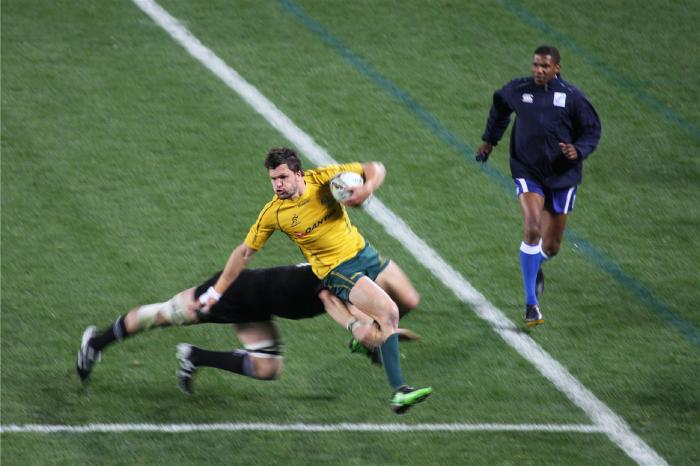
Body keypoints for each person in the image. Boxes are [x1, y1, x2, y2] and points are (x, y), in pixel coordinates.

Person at [198, 148, 431, 414]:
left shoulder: (322, 179)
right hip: (337, 270)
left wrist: (367, 189)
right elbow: (244, 253)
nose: (278, 185)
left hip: (362, 252)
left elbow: (375, 167)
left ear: (299, 174)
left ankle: (365, 338)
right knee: (389, 312)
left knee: (409, 301)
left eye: (283, 177)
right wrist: (216, 292)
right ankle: (399, 392)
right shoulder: (274, 213)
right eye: (273, 179)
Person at [76, 263, 391, 393]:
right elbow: (334, 304)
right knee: (163, 315)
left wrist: (372, 344)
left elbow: (363, 317)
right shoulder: (336, 280)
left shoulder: (350, 286)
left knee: (268, 368)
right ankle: (95, 342)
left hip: (257, 308)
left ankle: (195, 357)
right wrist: (358, 330)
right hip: (233, 292)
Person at [476, 45, 601, 327]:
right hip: (527, 170)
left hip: (562, 176)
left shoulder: (573, 97)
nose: (539, 70)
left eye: (545, 66)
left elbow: (592, 129)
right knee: (532, 227)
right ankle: (531, 304)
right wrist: (489, 141)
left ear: (557, 68)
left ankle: (536, 264)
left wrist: (578, 150)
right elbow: (500, 106)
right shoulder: (519, 90)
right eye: (536, 65)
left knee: (552, 246)